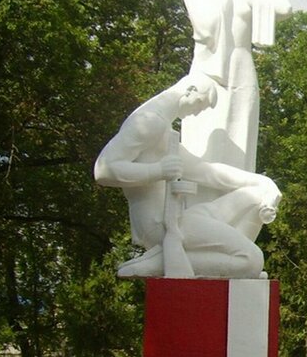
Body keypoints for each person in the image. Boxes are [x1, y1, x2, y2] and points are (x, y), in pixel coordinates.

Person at [94, 74, 281, 279]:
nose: (198, 111)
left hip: (180, 218)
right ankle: (161, 261)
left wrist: (263, 182)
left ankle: (231, 267)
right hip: (161, 226)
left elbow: (204, 170)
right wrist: (157, 171)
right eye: (201, 103)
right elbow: (104, 170)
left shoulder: (162, 127)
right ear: (190, 90)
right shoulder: (149, 121)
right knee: (252, 260)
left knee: (255, 195)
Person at [181, 0, 291, 178]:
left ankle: (237, 196)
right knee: (203, 140)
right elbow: (206, 29)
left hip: (241, 69)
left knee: (240, 141)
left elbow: (285, 8)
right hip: (207, 72)